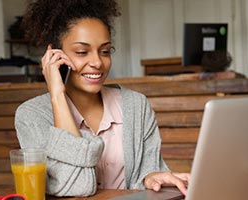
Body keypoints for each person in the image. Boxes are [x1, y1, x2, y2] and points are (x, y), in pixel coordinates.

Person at [14, 0, 189, 197]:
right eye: (82, 52)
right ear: (55, 55)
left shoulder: (136, 106)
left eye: (105, 51)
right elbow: (76, 187)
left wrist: (151, 176)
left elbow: (147, 171)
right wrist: (56, 95)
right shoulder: (32, 116)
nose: (97, 62)